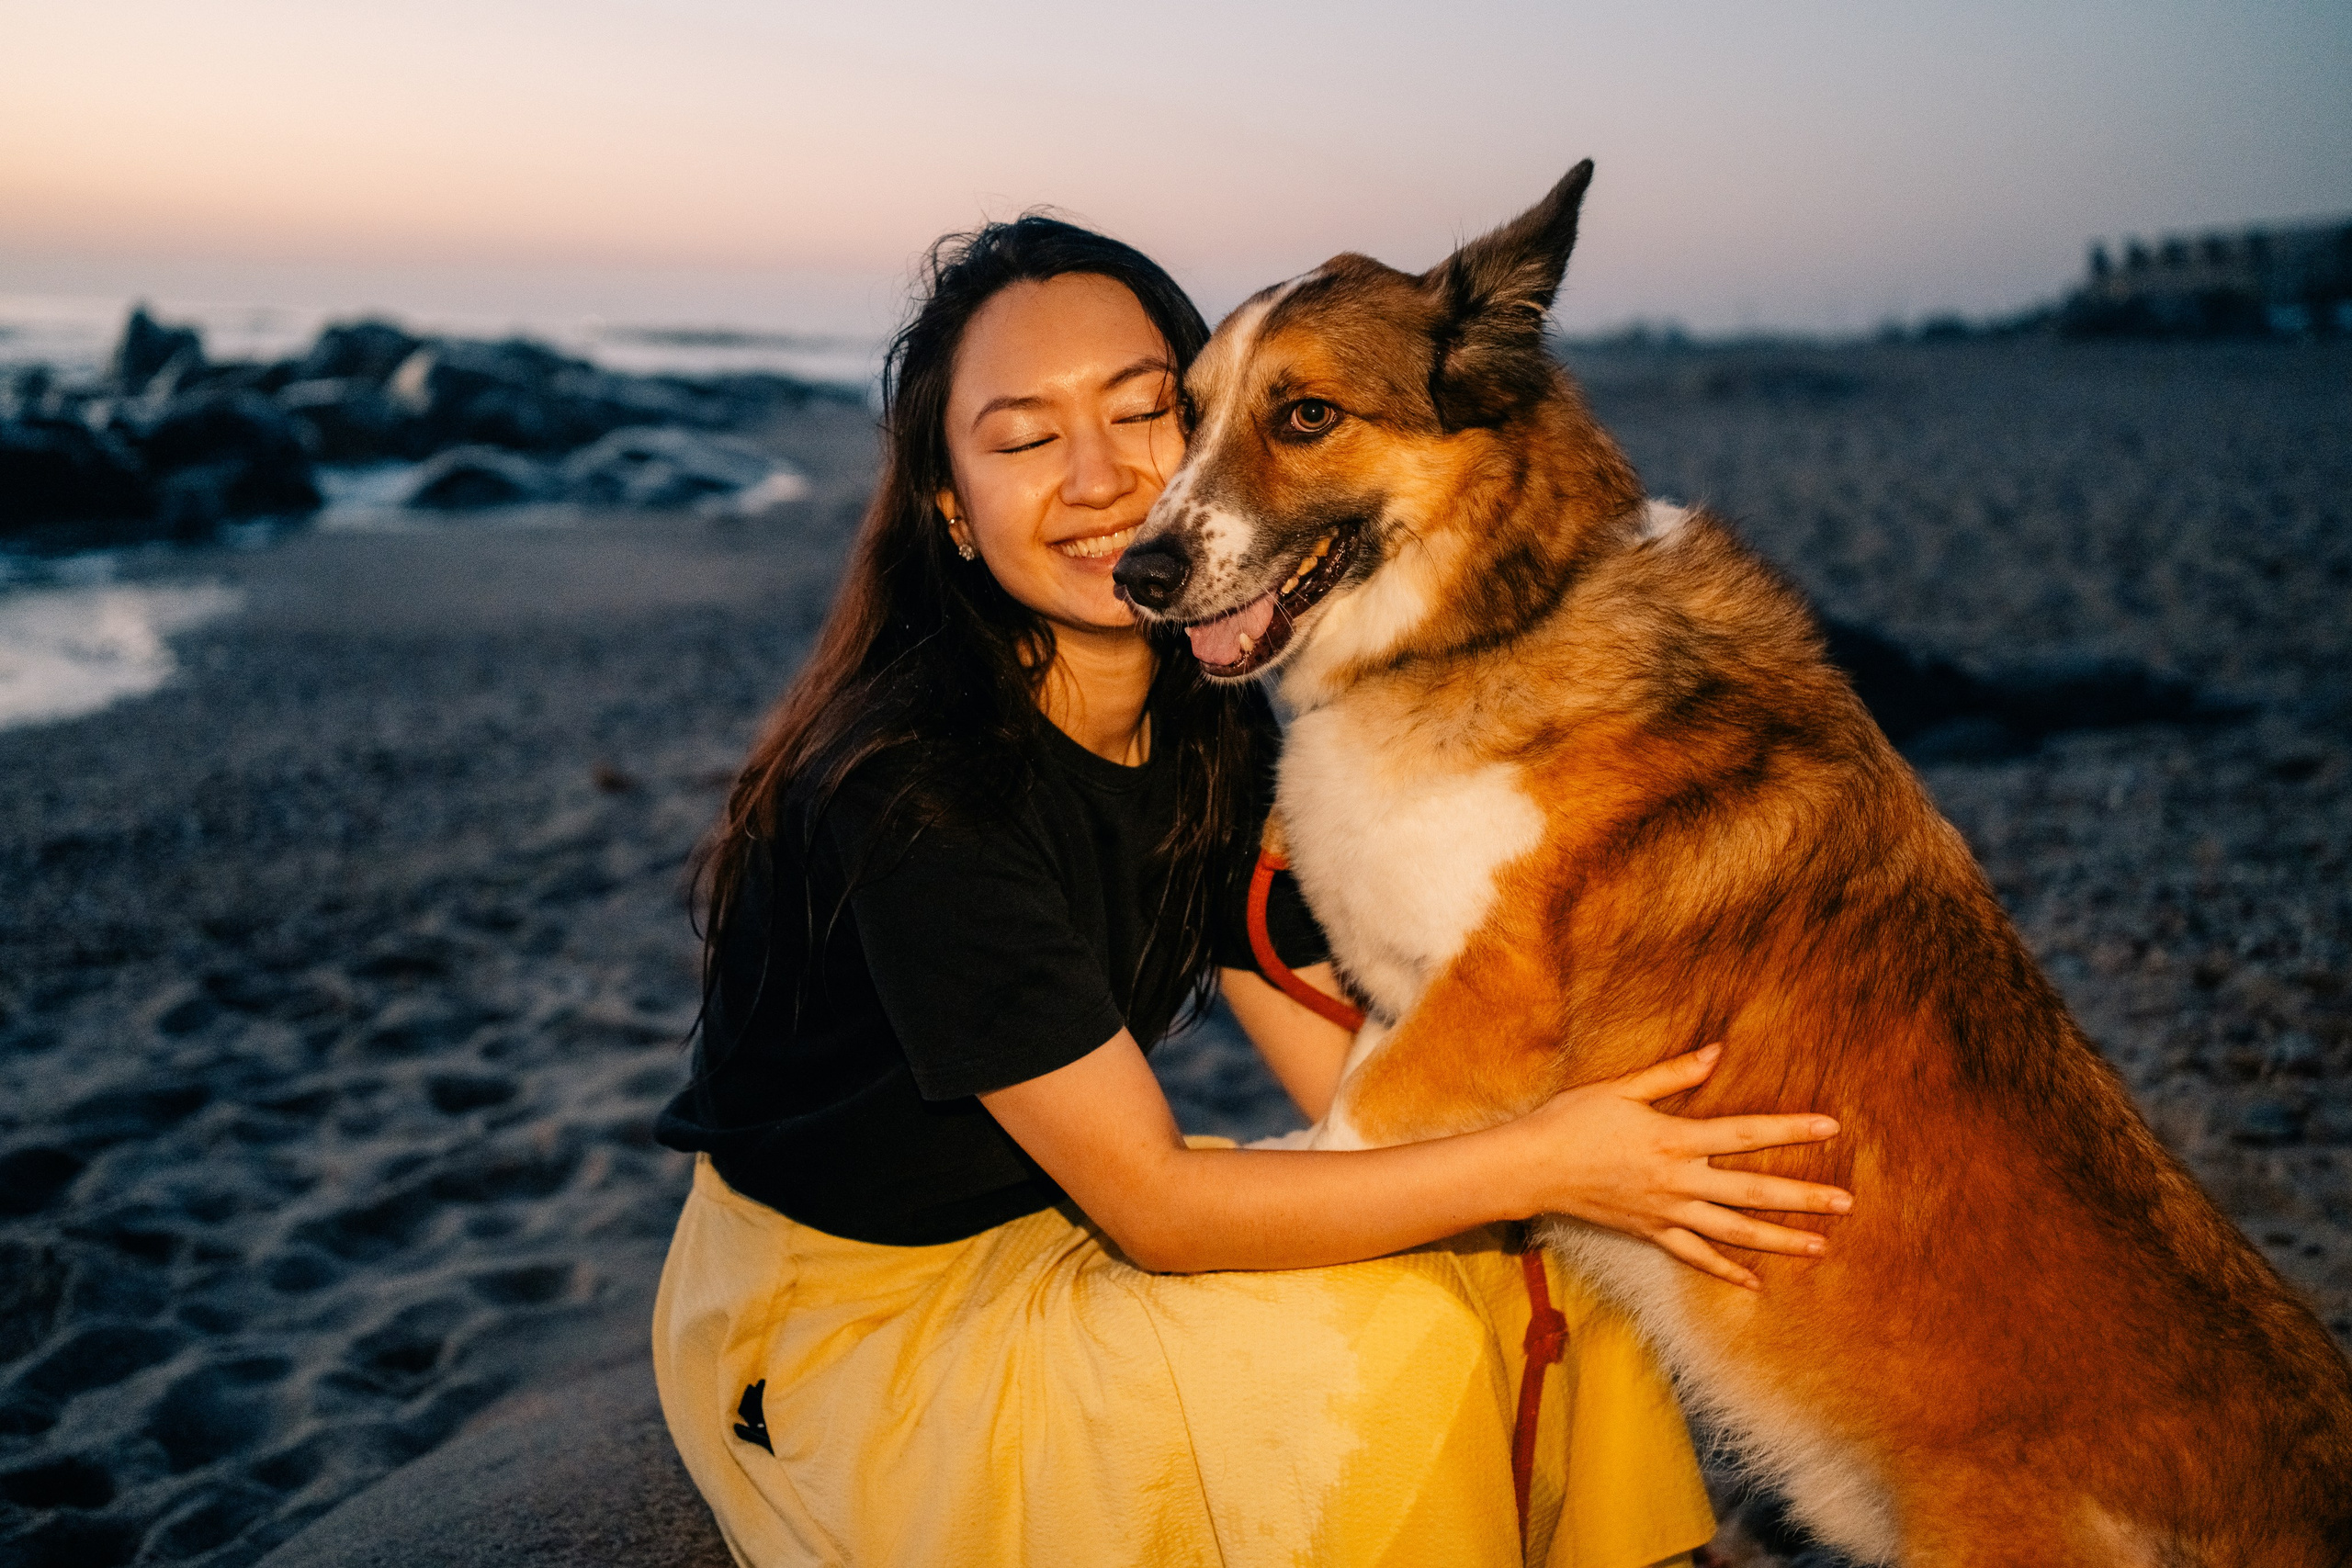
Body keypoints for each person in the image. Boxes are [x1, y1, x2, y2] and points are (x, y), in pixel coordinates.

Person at [651, 215, 1852, 1568]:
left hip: (1055, 1224)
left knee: (1551, 1260)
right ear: (951, 509)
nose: (1104, 480)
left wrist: (1573, 1147)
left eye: (1143, 411)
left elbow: (1345, 1076)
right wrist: (1553, 1154)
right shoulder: (920, 796)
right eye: (1026, 439)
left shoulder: (1208, 725)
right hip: (858, 1328)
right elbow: (1158, 1209)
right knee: (1406, 1342)